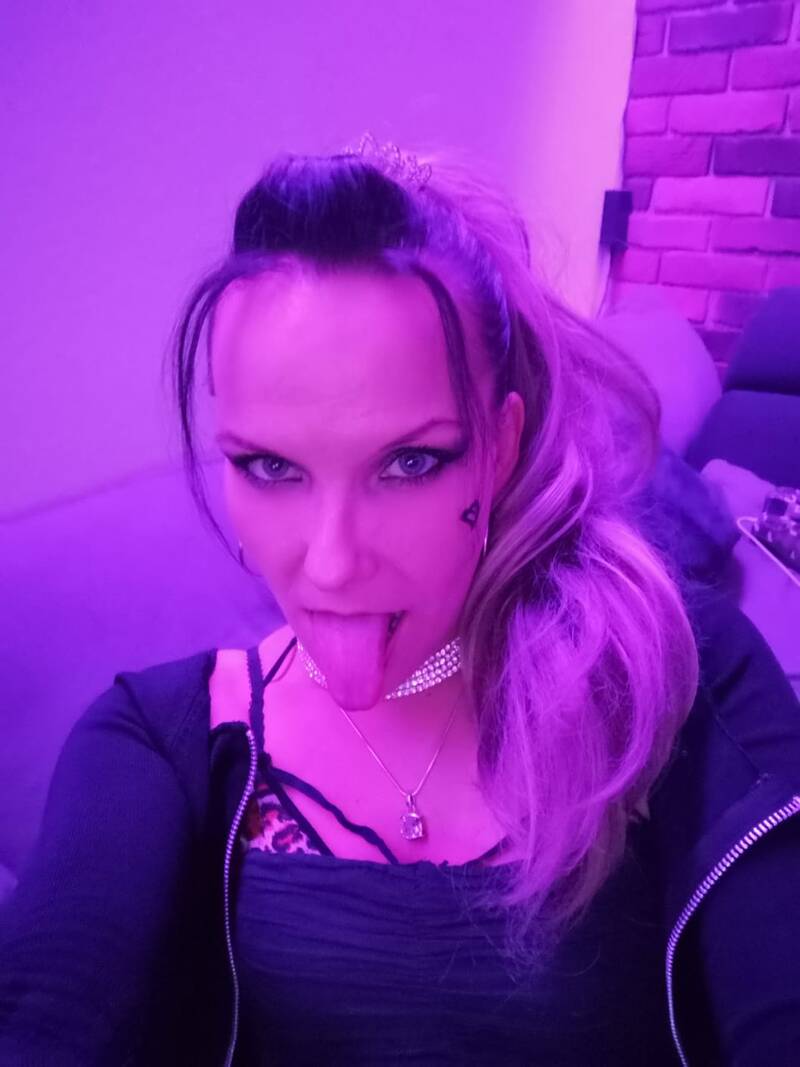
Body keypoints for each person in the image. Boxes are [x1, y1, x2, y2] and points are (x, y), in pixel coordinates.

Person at [2, 135, 800, 1067]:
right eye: (270, 468)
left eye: (410, 462)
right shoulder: (160, 740)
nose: (333, 564)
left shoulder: (678, 674)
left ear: (500, 448)